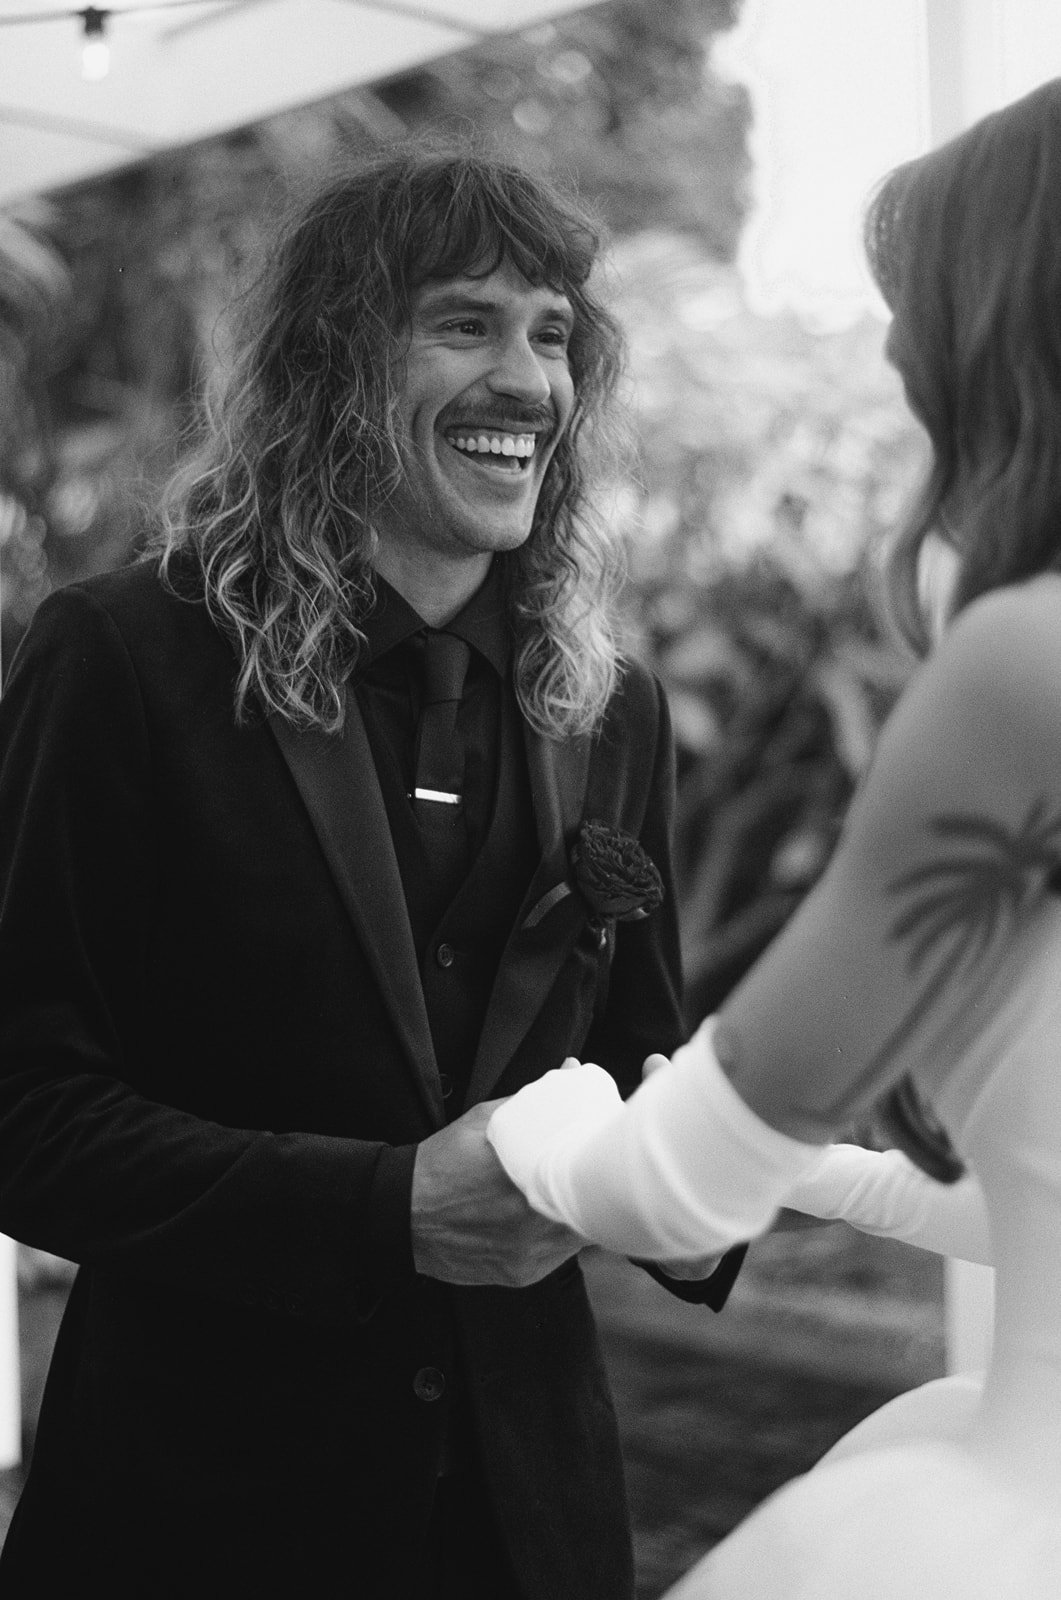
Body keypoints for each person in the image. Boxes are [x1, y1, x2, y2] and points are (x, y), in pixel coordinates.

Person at [0, 151, 739, 1598]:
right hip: (197, 1522)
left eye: (550, 335)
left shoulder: (614, 710)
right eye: (464, 323)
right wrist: (381, 1209)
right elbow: (23, 1107)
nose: (527, 381)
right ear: (330, 364)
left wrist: (779, 1143)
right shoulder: (122, 660)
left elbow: (636, 1070)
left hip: (529, 1533)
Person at [487, 79, 1061, 1599]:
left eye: (916, 304)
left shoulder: (1024, 669)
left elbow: (677, 1192)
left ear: (1009, 327)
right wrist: (842, 1180)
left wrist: (543, 1120)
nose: (893, 351)